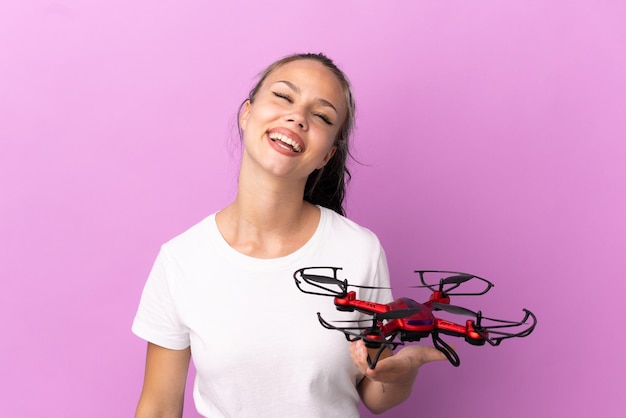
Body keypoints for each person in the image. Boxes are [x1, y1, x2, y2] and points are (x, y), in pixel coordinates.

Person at [132, 52, 445, 418]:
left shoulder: (359, 250)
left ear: (326, 156)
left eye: (323, 116)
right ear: (247, 113)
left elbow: (376, 393)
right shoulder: (181, 259)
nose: (298, 117)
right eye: (283, 96)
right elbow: (158, 406)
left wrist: (401, 375)